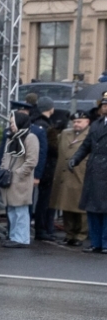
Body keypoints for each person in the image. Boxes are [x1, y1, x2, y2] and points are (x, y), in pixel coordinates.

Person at [0, 110, 40, 248]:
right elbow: (6, 156)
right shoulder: (12, 137)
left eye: (13, 122)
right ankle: (14, 236)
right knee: (12, 209)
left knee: (20, 210)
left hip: (21, 181)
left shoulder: (30, 137)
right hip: (9, 179)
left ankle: (21, 238)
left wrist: (18, 173)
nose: (11, 125)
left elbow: (32, 161)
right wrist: (4, 170)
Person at [69, 100, 107, 251]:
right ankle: (96, 243)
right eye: (103, 105)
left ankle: (105, 243)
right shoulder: (97, 124)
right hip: (93, 170)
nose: (105, 108)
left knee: (105, 210)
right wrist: (75, 159)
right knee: (92, 209)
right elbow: (86, 145)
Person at [51, 112, 90, 247]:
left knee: (81, 209)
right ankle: (69, 233)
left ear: (87, 122)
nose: (76, 124)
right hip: (65, 175)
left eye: (79, 121)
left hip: (81, 175)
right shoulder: (65, 134)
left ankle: (81, 234)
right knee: (66, 206)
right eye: (74, 122)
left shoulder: (91, 134)